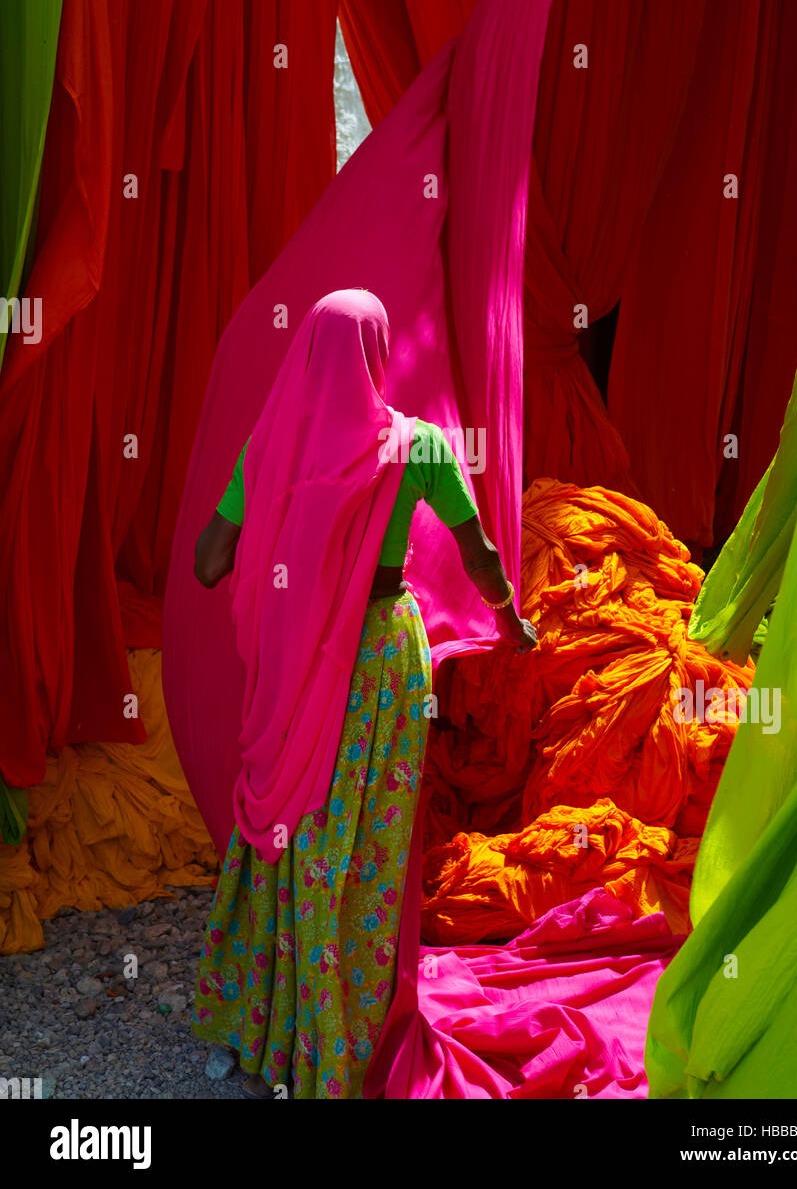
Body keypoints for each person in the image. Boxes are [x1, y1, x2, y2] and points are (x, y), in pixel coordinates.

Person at [190, 289, 536, 1099]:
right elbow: (478, 551)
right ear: (377, 355)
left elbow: (210, 562)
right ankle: (338, 1036)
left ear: (306, 353)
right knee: (365, 847)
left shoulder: (269, 445)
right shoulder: (417, 448)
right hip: (379, 662)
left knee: (287, 827)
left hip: (297, 666)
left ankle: (256, 1028)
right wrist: (509, 621)